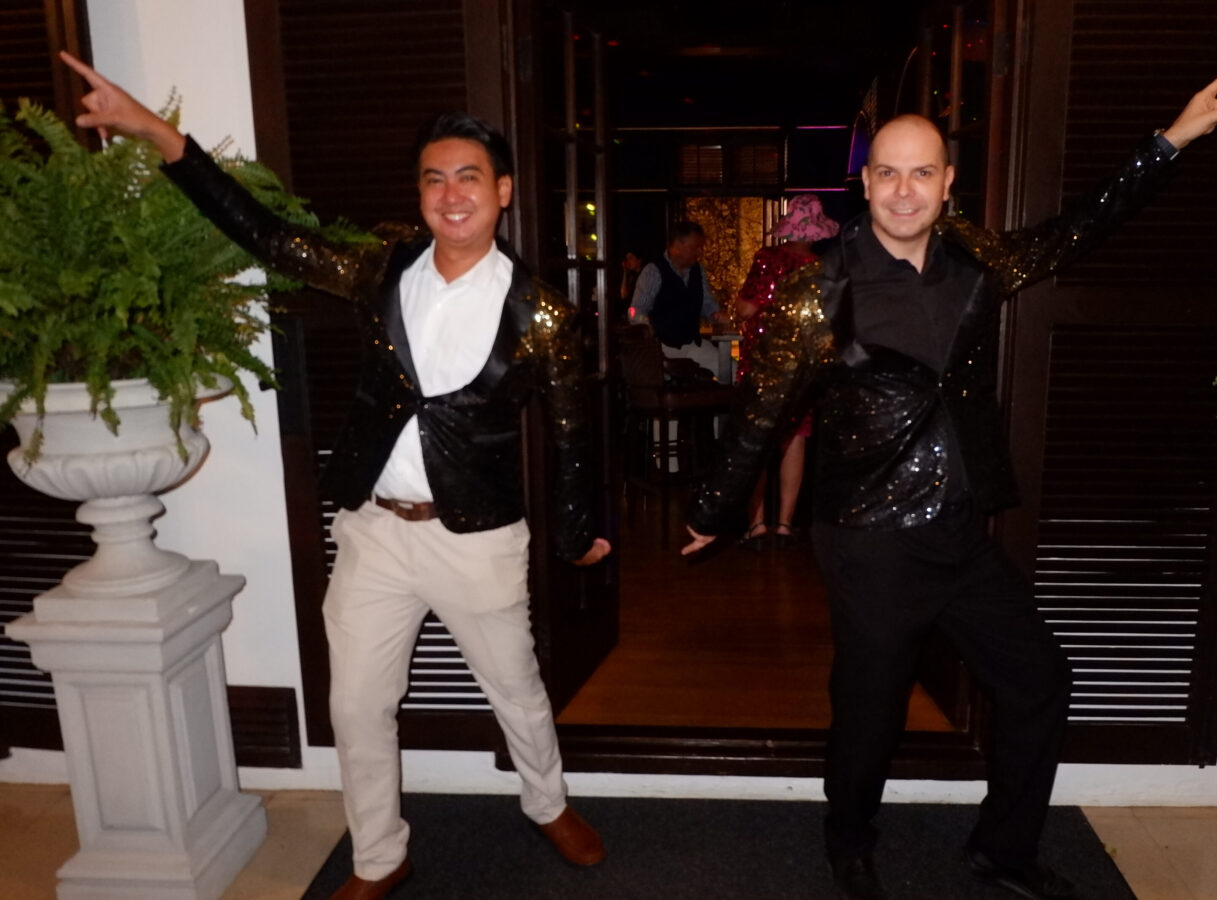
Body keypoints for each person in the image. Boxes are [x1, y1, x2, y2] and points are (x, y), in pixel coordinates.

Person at [61, 52, 612, 900]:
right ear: (419, 193)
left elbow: (574, 431)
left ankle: (547, 802)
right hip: (376, 529)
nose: (451, 193)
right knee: (355, 704)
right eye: (434, 178)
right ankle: (379, 855)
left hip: (477, 539)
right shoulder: (382, 266)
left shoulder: (543, 313)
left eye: (469, 177)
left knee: (517, 690)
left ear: (502, 191)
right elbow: (268, 236)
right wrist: (160, 136)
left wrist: (577, 533)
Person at [683, 64, 1217, 900]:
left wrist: (1168, 142)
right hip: (868, 536)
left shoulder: (978, 257)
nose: (903, 190)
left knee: (1039, 680)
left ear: (947, 182)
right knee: (870, 707)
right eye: (887, 172)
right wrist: (714, 511)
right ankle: (849, 841)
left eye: (921, 172)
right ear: (865, 183)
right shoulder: (817, 285)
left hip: (959, 530)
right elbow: (761, 413)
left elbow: (1077, 229)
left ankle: (1003, 849)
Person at [735, 194, 838, 549]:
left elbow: (746, 309)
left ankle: (757, 525)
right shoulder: (821, 267)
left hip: (764, 360)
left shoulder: (768, 259)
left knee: (756, 439)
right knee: (796, 437)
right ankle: (784, 525)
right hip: (803, 363)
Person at [628, 220, 728, 378]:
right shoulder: (653, 271)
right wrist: (647, 327)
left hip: (693, 344)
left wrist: (715, 314)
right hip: (663, 348)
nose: (700, 252)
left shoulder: (698, 270)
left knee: (731, 371)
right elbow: (635, 311)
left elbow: (706, 302)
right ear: (677, 246)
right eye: (696, 247)